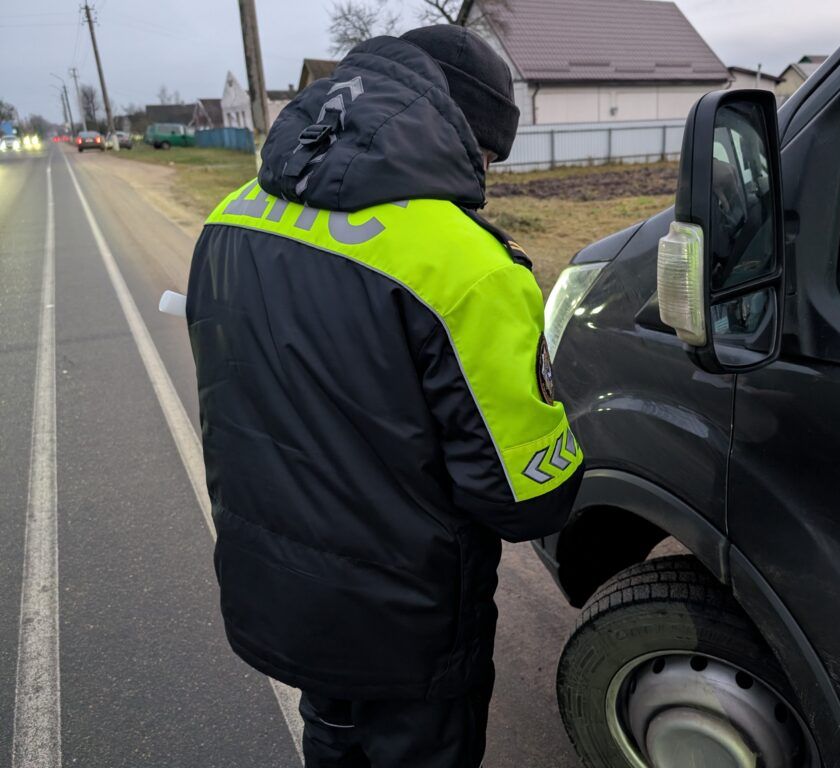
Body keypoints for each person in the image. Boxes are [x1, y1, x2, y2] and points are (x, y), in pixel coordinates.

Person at [186, 24, 585, 768]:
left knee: (332, 739)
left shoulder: (232, 216)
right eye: (489, 154)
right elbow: (526, 500)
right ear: (462, 127)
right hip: (407, 632)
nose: (486, 173)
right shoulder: (468, 267)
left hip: (280, 594)